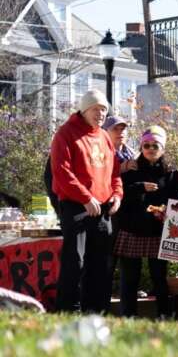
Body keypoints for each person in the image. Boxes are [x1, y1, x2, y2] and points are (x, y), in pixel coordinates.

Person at [50, 89, 123, 314]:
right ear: (84, 109)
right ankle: (68, 311)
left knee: (101, 264)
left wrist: (117, 195)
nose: (101, 114)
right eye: (96, 109)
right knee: (76, 262)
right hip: (76, 207)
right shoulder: (65, 133)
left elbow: (115, 172)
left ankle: (96, 312)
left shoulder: (103, 137)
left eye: (104, 110)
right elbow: (61, 172)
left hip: (102, 208)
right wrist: (85, 197)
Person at [115, 126, 178, 319]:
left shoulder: (171, 174)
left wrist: (166, 211)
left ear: (163, 148)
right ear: (141, 147)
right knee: (130, 277)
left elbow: (176, 200)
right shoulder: (130, 170)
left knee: (159, 277)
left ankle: (164, 314)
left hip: (158, 230)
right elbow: (119, 195)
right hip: (132, 228)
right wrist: (139, 188)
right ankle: (129, 315)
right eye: (146, 145)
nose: (151, 149)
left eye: (155, 145)